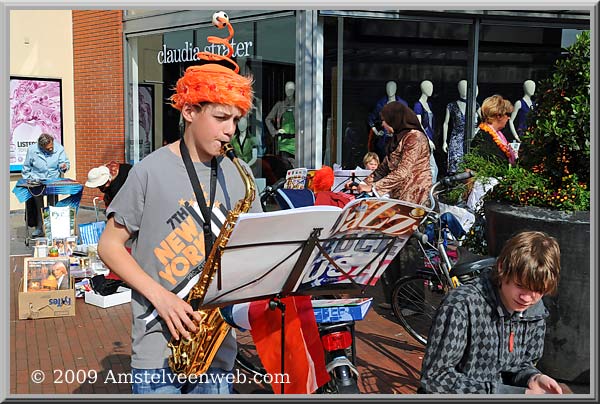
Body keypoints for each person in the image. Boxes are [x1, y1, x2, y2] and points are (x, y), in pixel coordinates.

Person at [97, 13, 264, 395]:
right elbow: (108, 245)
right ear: (189, 111)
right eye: (221, 117)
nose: (230, 131)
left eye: (236, 121)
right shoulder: (149, 171)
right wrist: (162, 297)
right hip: (159, 348)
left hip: (218, 350)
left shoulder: (240, 175)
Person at [420, 231, 563, 394]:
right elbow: (435, 379)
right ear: (502, 268)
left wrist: (533, 377)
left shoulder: (535, 311)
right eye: (520, 285)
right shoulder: (461, 305)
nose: (527, 298)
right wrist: (507, 393)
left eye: (538, 290)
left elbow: (520, 364)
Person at [350, 102, 433, 309]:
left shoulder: (415, 138)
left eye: (386, 121)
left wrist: (375, 189)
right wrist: (364, 184)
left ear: (396, 119)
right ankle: (394, 299)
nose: (384, 124)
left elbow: (403, 172)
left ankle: (413, 304)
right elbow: (383, 168)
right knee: (390, 248)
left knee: (409, 252)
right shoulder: (397, 139)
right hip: (398, 200)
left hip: (415, 201)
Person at [22, 133, 70, 237]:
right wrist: (29, 180)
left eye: (51, 147)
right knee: (38, 206)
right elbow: (26, 167)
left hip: (53, 181)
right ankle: (39, 228)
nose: (51, 149)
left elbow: (65, 164)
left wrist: (63, 167)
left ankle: (51, 229)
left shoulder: (59, 148)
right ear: (41, 147)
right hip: (37, 181)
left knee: (52, 205)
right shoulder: (32, 150)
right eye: (48, 149)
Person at [442, 80, 480, 175]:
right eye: (461, 87)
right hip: (457, 140)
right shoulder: (451, 106)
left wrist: (478, 130)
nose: (463, 89)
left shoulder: (475, 105)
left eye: (465, 87)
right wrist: (444, 142)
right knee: (456, 166)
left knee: (470, 166)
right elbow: (445, 123)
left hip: (471, 139)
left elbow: (484, 121)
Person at [367, 81, 409, 161]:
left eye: (392, 87)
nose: (390, 90)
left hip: (398, 139)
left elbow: (407, 121)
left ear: (396, 89)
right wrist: (376, 132)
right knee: (384, 161)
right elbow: (371, 118)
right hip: (384, 140)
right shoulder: (381, 103)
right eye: (388, 88)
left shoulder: (402, 104)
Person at [471, 94, 517, 166]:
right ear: (498, 116)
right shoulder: (483, 137)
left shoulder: (500, 135)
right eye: (508, 115)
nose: (509, 118)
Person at [413, 79, 439, 182]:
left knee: (431, 168)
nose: (431, 89)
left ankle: (428, 192)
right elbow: (419, 124)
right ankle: (429, 192)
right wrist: (428, 140)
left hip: (429, 139)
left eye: (431, 87)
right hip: (423, 140)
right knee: (433, 168)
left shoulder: (429, 105)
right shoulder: (418, 105)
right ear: (423, 89)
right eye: (428, 87)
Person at [265, 80, 296, 163]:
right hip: (283, 142)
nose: (289, 91)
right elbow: (268, 119)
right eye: (287, 89)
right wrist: (275, 132)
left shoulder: (297, 105)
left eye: (291, 89)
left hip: (296, 142)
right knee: (284, 165)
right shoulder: (279, 105)